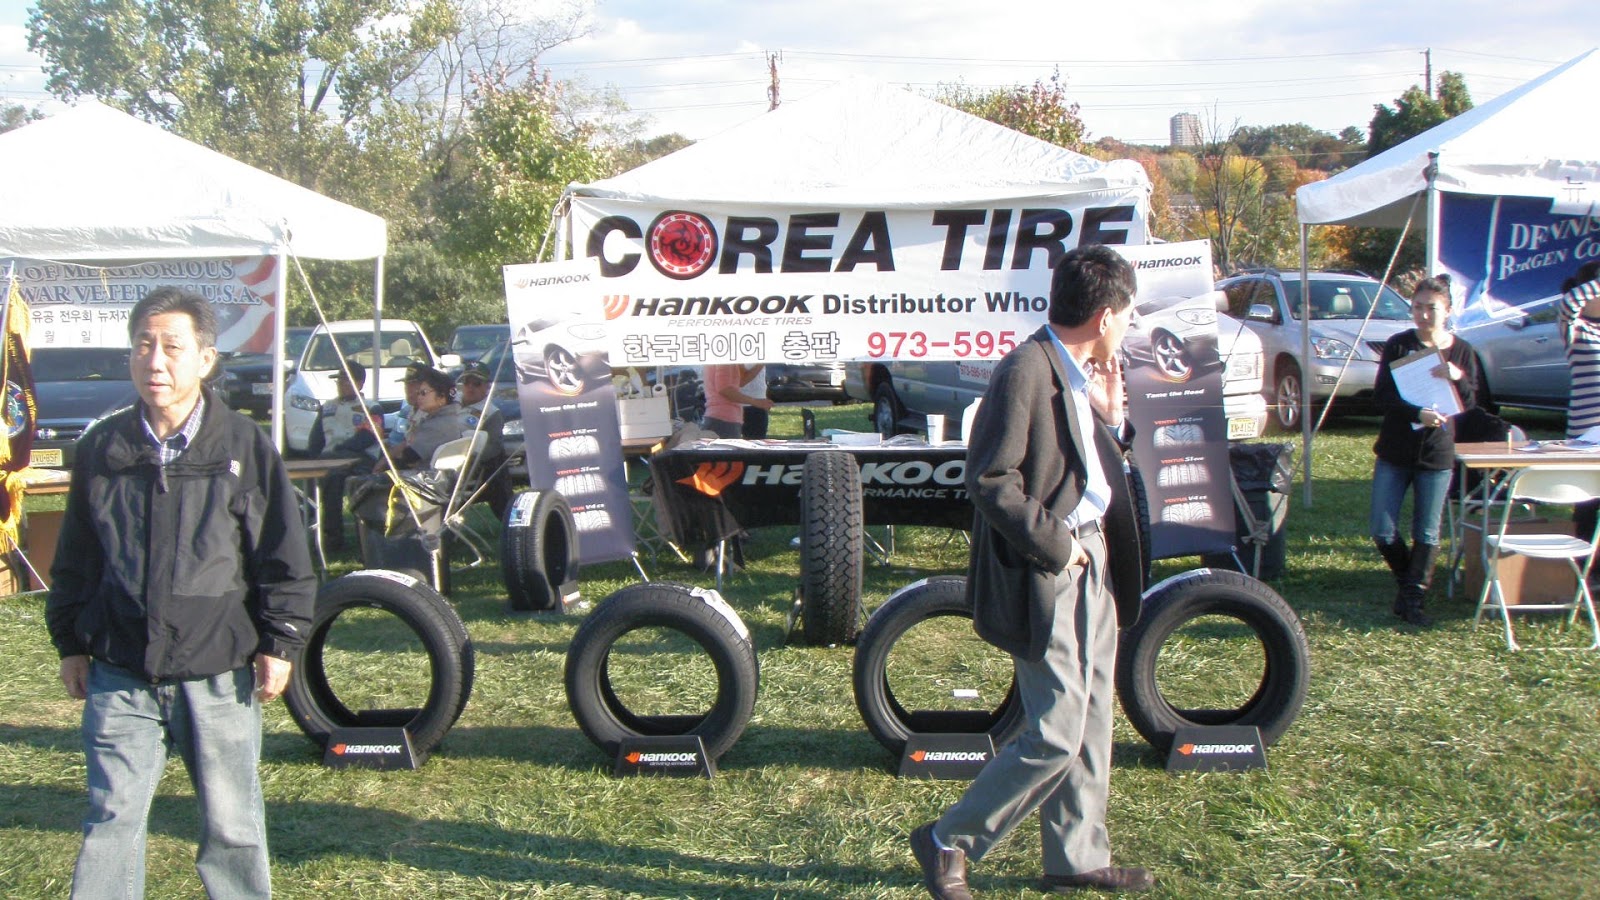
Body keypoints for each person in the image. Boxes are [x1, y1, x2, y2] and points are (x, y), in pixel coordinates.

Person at [44, 287, 316, 898]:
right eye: (144, 345)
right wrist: (70, 642)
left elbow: (283, 556)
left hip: (218, 672)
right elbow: (76, 560)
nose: (155, 361)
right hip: (121, 670)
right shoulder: (102, 449)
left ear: (206, 358)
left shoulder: (243, 446)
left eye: (172, 346)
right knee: (110, 820)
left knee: (233, 829)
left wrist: (282, 641)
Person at [910, 245, 1151, 898]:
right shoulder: (1025, 370)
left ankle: (1075, 857)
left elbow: (1078, 468)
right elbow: (989, 479)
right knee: (1056, 729)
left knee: (1094, 715)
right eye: (1127, 314)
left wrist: (1108, 416)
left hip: (1091, 557)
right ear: (1104, 315)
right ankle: (946, 841)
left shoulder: (1078, 369)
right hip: (1051, 566)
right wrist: (1058, 547)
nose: (1129, 325)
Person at [1370, 274, 1479, 627]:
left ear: (1447, 310)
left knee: (1427, 532)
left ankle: (1414, 601)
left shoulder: (1462, 350)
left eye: (1430, 308)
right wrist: (1416, 413)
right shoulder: (1399, 345)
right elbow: (1383, 395)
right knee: (1382, 530)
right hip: (1396, 448)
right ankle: (1408, 585)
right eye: (1417, 308)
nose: (1423, 315)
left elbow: (1474, 402)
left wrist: (1458, 377)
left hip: (1436, 453)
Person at [306, 360, 380, 551]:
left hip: (360, 458)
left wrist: (339, 451)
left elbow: (367, 437)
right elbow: (316, 440)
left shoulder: (371, 407)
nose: (341, 384)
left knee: (335, 477)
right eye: (339, 381)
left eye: (346, 381)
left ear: (360, 383)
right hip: (329, 459)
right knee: (317, 476)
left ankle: (334, 538)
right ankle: (318, 530)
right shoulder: (327, 407)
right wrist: (314, 459)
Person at [1558, 260, 1600, 545]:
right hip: (1586, 435)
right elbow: (1570, 303)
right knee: (1586, 505)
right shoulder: (1575, 329)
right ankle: (1583, 571)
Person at [378, 364, 466, 471]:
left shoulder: (438, 425)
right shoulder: (438, 417)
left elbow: (408, 458)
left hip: (420, 479)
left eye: (423, 393)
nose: (418, 396)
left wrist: (380, 467)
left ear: (441, 396)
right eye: (419, 393)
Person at [456, 360, 514, 518]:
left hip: (467, 467)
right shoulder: (450, 402)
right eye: (466, 382)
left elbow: (491, 448)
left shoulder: (491, 413)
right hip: (436, 457)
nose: (470, 387)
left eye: (476, 383)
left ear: (487, 387)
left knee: (496, 465)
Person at [701, 363, 773, 438]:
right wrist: (755, 402)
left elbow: (737, 380)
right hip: (725, 418)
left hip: (719, 416)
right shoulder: (726, 359)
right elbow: (724, 389)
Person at [740, 364, 770, 439]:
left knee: (757, 445)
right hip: (740, 404)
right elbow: (742, 380)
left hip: (759, 403)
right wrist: (760, 363)